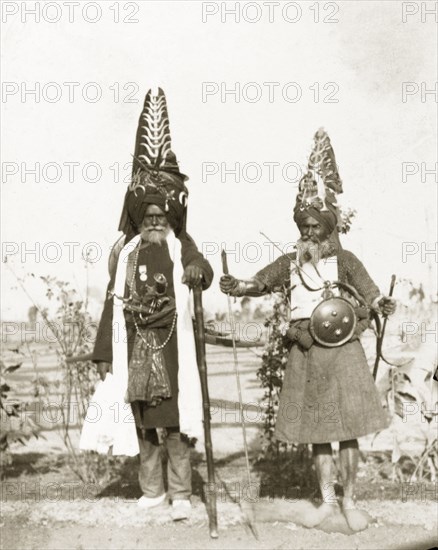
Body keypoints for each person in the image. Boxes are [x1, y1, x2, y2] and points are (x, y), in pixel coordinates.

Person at [219, 129, 396, 532]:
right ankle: (328, 503)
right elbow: (258, 283)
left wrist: (378, 305)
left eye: (315, 226)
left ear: (328, 226)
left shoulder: (346, 259)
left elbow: (370, 295)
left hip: (345, 351)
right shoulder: (291, 262)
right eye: (303, 226)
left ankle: (350, 502)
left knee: (348, 432)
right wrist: (239, 285)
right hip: (306, 351)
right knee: (319, 433)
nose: (308, 233)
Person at [87, 88, 213, 520]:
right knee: (142, 422)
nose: (156, 223)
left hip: (173, 347)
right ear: (139, 219)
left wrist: (198, 273)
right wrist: (104, 352)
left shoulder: (182, 245)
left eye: (162, 217)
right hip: (135, 345)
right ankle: (152, 491)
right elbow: (110, 302)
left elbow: (202, 268)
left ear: (170, 219)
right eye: (149, 218)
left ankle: (181, 493)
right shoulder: (125, 253)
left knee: (175, 422)